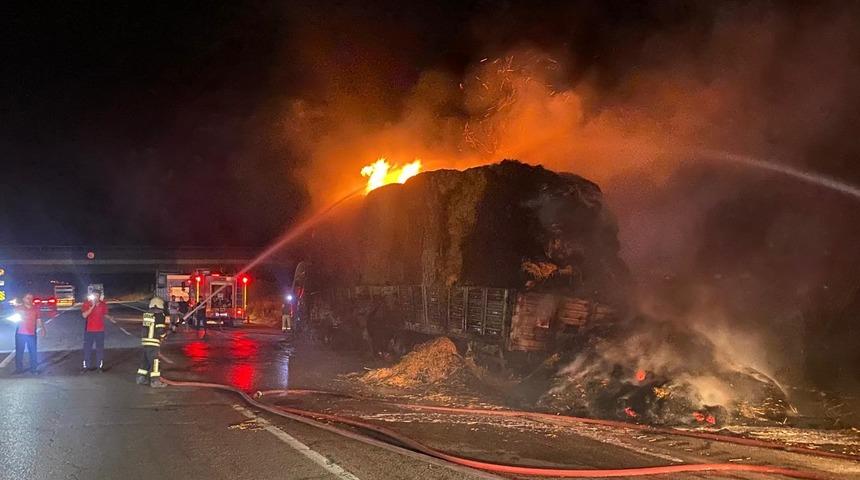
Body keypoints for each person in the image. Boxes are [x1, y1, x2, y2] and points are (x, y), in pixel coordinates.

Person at [136, 296, 168, 388]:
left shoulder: (147, 314)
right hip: (153, 341)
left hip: (146, 341)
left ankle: (140, 378)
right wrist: (164, 335)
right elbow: (160, 330)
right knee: (155, 362)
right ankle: (155, 381)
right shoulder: (160, 315)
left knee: (145, 361)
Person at [14, 293, 45, 374]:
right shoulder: (19, 308)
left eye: (31, 298)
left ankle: (34, 369)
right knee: (19, 351)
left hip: (31, 333)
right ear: (23, 299)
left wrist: (42, 328)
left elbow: (38, 319)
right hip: (20, 333)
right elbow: (14, 319)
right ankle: (19, 369)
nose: (30, 300)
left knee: (33, 351)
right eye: (28, 298)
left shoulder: (35, 308)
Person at [81, 292, 109, 371]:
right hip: (89, 330)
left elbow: (105, 314)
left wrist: (110, 318)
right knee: (87, 348)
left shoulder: (103, 304)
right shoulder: (87, 303)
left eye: (97, 296)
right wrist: (92, 306)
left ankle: (99, 367)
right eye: (94, 296)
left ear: (100, 296)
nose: (96, 297)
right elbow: (84, 315)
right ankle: (86, 366)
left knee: (99, 349)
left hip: (100, 330)